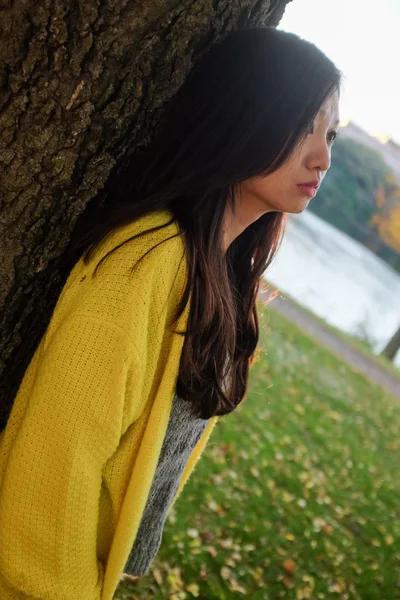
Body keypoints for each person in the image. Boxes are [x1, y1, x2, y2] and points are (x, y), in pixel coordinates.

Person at [0, 26, 341, 600]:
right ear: (245, 116)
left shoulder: (219, 273)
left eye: (331, 134)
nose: (323, 156)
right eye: (304, 126)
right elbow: (57, 459)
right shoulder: (147, 261)